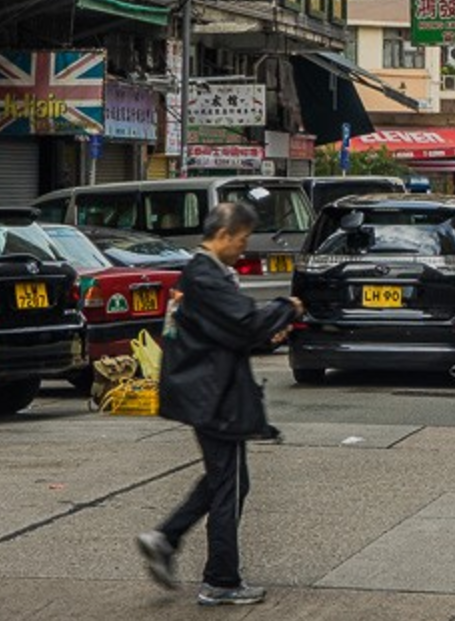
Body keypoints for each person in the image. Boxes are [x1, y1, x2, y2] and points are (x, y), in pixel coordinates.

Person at [137, 202, 301, 606]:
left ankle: (166, 537)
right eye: (242, 240)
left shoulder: (205, 275)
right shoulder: (205, 275)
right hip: (212, 397)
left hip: (210, 392)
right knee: (229, 485)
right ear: (224, 235)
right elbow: (243, 322)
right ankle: (220, 580)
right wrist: (285, 308)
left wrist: (267, 334)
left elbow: (230, 332)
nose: (243, 249)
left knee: (226, 479)